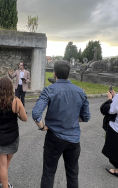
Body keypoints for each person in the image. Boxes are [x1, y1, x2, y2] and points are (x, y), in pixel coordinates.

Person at [32, 60, 90, 188]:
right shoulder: (80, 91)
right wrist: (72, 118)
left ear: (54, 73)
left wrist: (42, 126)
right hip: (74, 139)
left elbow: (36, 114)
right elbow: (86, 117)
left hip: (54, 138)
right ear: (68, 73)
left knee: (48, 172)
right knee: (72, 173)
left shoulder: (49, 90)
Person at [0, 77, 28, 188]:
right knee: (5, 163)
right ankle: (5, 186)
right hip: (12, 137)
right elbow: (25, 118)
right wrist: (18, 113)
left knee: (3, 164)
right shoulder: (16, 101)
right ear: (10, 88)